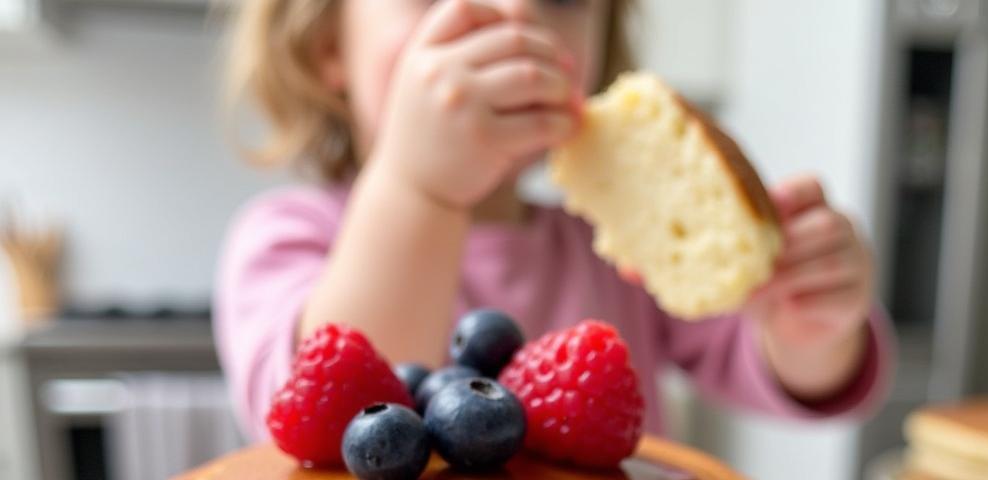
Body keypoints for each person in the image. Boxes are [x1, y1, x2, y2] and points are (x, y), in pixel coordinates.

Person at [217, 0, 889, 442]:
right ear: (325, 43)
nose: (513, 16)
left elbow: (780, 367)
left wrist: (811, 323)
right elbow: (338, 421)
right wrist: (419, 187)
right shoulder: (283, 240)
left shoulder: (618, 244)